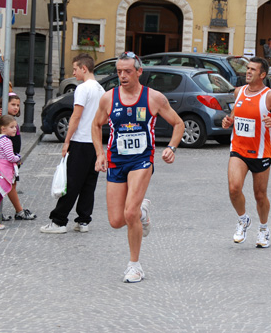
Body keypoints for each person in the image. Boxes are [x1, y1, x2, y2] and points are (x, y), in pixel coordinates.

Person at [92, 51, 184, 283]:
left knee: (129, 213)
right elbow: (95, 125)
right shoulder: (108, 98)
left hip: (142, 160)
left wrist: (171, 148)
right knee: (116, 220)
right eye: (119, 72)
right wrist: (99, 153)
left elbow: (178, 123)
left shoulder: (154, 98)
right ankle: (142, 210)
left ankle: (135, 266)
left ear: (139, 72)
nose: (122, 76)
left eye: (128, 72)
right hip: (116, 160)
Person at [221, 57, 271, 249]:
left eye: (253, 70)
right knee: (234, 188)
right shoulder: (239, 92)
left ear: (262, 75)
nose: (248, 72)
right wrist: (228, 121)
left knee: (260, 195)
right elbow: (235, 116)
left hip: (260, 153)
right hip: (239, 150)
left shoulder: (269, 97)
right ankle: (243, 219)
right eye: (247, 69)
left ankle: (264, 228)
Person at [41, 54, 106, 234]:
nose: (73, 72)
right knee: (88, 184)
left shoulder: (83, 88)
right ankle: (83, 220)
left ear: (84, 68)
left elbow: (76, 116)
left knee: (72, 182)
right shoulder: (101, 90)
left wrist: (67, 140)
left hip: (81, 140)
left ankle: (59, 221)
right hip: (95, 143)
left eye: (75, 69)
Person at [0, 93, 36, 221]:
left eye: (18, 105)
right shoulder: (4, 122)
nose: (16, 107)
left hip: (12, 160)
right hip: (6, 161)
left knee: (10, 186)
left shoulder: (12, 121)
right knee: (8, 186)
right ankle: (19, 211)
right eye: (13, 104)